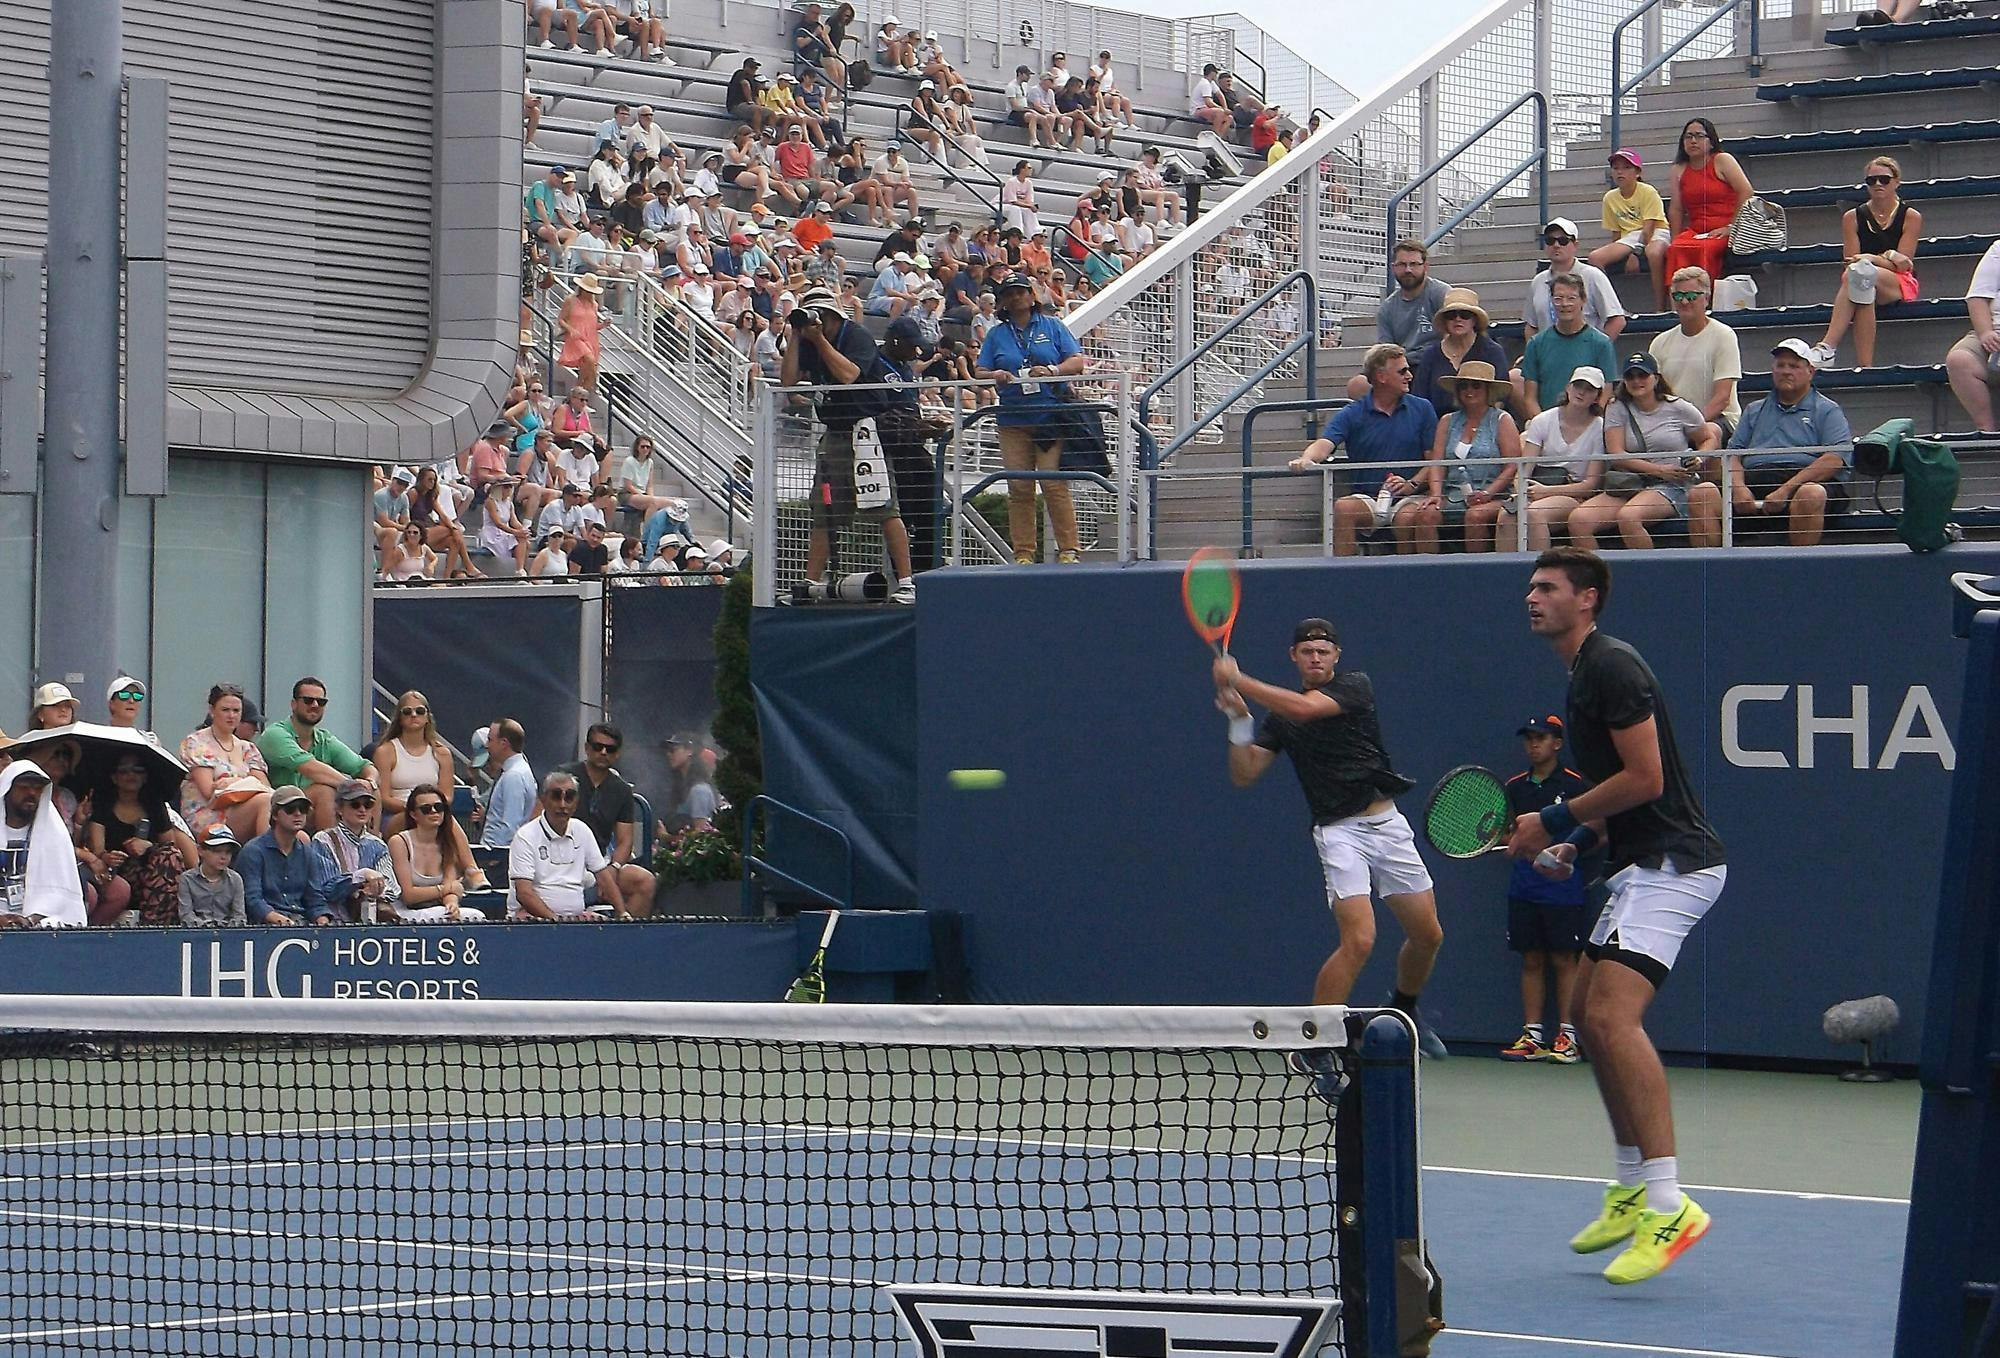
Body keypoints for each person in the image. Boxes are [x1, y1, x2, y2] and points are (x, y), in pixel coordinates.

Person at [1508, 547, 1727, 1285]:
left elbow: (1648, 778)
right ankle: (1632, 1186)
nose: (1532, 598)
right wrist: (1574, 842)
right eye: (1531, 588)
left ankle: (1669, 1204)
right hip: (1639, 860)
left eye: (1547, 588)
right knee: (1580, 1008)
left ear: (1588, 599)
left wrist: (1551, 816)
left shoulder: (1611, 666)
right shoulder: (1581, 675)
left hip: (1676, 865)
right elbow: (1621, 796)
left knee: (1608, 1019)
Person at [1212, 619, 1446, 1051]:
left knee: (1428, 935)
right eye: (1307, 651)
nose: (1315, 657)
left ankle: (1405, 1011)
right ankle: (1315, 1046)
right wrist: (1239, 720)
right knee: (1359, 939)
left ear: (1337, 656)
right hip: (1338, 833)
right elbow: (1245, 773)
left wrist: (1239, 677)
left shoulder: (1356, 686)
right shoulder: (1281, 719)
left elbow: (1305, 709)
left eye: (1323, 650)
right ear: (1294, 657)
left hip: (1387, 824)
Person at [783, 286, 918, 598]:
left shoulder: (856, 335)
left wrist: (818, 340)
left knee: (884, 508)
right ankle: (811, 583)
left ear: (833, 316)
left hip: (865, 432)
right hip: (833, 435)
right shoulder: (806, 340)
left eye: (821, 317)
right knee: (824, 509)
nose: (817, 324)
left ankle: (907, 582)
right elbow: (788, 381)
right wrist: (794, 334)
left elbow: (849, 375)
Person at [1692, 339, 1854, 547]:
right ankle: (1710, 575)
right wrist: (1738, 488)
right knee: (1701, 493)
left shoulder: (1828, 410)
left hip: (1803, 482)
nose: (1786, 371)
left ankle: (1801, 572)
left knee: (1811, 493)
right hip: (1754, 482)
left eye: (1794, 366)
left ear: (1810, 372)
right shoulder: (1754, 410)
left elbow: (1834, 458)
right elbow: (1733, 454)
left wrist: (1786, 490)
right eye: (1780, 365)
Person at [975, 275, 1088, 565]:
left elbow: (1076, 361)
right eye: (1009, 293)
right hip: (1012, 418)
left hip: (1049, 416)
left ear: (1032, 294)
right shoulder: (997, 334)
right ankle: (1023, 553)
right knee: (1019, 487)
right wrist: (995, 375)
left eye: (1021, 291)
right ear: (1003, 300)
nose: (1016, 298)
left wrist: (1052, 370)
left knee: (1053, 483)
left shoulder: (1052, 325)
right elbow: (980, 371)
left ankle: (1069, 549)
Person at [1499, 716, 1591, 1064]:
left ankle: (1568, 1035)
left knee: (1565, 959)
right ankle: (1533, 1035)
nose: (1533, 744)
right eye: (1529, 739)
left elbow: (1594, 829)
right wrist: (1518, 841)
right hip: (1524, 885)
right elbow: (1506, 832)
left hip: (1563, 888)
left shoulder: (1576, 785)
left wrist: (1561, 852)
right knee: (1532, 958)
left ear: (1557, 743)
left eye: (1541, 738)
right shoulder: (1514, 786)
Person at [1291, 344, 1440, 556]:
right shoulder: (1353, 413)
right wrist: (1306, 458)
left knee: (1409, 518)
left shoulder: (1422, 408)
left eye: (1408, 370)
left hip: (1411, 497)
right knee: (1343, 508)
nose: (1409, 375)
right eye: (1402, 371)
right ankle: (1346, 582)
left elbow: (1433, 461)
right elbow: (1325, 443)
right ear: (1381, 376)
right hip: (1368, 498)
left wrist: (1411, 485)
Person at [1568, 354, 1717, 551]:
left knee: (1629, 517)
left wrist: (1699, 457)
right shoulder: (1616, 407)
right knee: (1578, 520)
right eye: (1631, 376)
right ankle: (1596, 575)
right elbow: (1616, 453)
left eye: (1642, 375)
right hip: (1630, 482)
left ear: (1655, 378)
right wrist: (1656, 469)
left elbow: (1708, 438)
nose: (1637, 381)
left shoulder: (1678, 406)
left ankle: (1650, 578)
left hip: (1672, 483)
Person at [1810, 157, 1922, 370]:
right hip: (1863, 278)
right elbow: (1851, 261)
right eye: (1872, 180)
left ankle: (1828, 346)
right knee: (1861, 283)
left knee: (1860, 275)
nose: (1878, 184)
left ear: (1896, 182)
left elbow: (1904, 265)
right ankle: (1865, 367)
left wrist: (1871, 258)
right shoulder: (1852, 217)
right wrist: (1887, 257)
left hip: (1897, 283)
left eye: (1884, 180)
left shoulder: (1910, 216)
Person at [1500, 369, 1610, 551]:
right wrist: (1522, 494)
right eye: (1577, 386)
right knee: (1506, 515)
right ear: (1568, 388)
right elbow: (1524, 469)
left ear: (1597, 397)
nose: (1581, 392)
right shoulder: (1542, 420)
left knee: (1533, 514)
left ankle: (1542, 573)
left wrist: (1547, 491)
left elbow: (1591, 484)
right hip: (1537, 487)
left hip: (1573, 494)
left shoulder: (1599, 427)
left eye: (1589, 389)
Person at [558, 722, 657, 917]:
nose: (603, 752)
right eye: (597, 746)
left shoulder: (622, 790)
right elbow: (535, 820)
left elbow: (625, 841)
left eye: (610, 749)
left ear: (617, 754)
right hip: (557, 860)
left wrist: (613, 869)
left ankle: (624, 939)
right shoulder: (562, 776)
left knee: (645, 881)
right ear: (587, 748)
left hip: (597, 864)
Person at [87, 751, 198, 926]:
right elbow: (97, 851)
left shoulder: (155, 805)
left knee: (170, 856)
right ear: (114, 778)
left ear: (145, 777)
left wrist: (148, 846)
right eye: (124, 771)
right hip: (117, 874)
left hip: (152, 875)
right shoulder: (103, 806)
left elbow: (171, 845)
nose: (131, 775)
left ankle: (156, 924)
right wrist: (108, 857)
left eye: (137, 770)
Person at [1423, 362, 1522, 554]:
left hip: (1495, 495)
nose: (1469, 391)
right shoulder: (1447, 421)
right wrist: (1435, 494)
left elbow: (1512, 466)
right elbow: (1437, 464)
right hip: (1451, 494)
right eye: (1464, 386)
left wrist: (1487, 493)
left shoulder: (1502, 419)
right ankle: (1427, 574)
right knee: (1426, 513)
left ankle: (1475, 575)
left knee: (1474, 516)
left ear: (1488, 390)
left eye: (1476, 386)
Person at [510, 770, 632, 920]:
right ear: (543, 799)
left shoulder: (582, 830)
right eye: (556, 796)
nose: (562, 804)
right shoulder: (525, 836)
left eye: (569, 797)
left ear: (576, 802)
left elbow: (604, 878)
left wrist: (622, 913)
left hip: (573, 919)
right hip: (534, 919)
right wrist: (556, 921)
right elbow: (524, 893)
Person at [258, 677, 374, 832]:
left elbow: (365, 766)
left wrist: (370, 781)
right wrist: (354, 787)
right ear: (293, 704)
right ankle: (330, 852)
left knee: (372, 790)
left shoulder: (324, 739)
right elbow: (311, 768)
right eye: (308, 700)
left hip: (307, 809)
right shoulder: (275, 734)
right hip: (279, 809)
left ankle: (372, 848)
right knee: (324, 792)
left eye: (321, 702)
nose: (315, 705)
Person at [1647, 267, 1742, 444]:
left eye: (1691, 296)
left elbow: (1722, 398)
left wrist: (1692, 424)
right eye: (1678, 296)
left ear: (1706, 298)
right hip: (1671, 422)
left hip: (1718, 419)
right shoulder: (1659, 342)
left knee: (1709, 433)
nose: (1684, 301)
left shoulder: (1724, 336)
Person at [1347, 240, 1450, 399]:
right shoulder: (1387, 308)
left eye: (1414, 264)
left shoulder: (1441, 294)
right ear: (1393, 267)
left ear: (1425, 267)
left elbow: (1454, 336)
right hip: (1403, 364)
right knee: (1357, 385)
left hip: (1437, 361)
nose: (1408, 270)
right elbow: (1386, 351)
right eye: (1402, 264)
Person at [1664, 118, 1753, 287]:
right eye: (1688, 136)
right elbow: (1676, 208)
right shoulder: (1678, 169)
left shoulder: (1722, 160)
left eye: (1699, 136)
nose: (1693, 141)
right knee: (1676, 248)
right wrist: (1674, 237)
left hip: (1725, 229)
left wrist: (1731, 228)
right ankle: (1677, 302)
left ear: (1711, 141)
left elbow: (1746, 191)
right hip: (1696, 230)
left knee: (1704, 249)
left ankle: (1704, 298)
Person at [180, 682, 274, 842]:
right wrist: (247, 783)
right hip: (209, 816)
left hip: (244, 810)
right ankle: (267, 863)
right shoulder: (196, 742)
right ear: (212, 711)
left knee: (300, 836)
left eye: (236, 711)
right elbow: (210, 792)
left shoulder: (247, 748)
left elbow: (264, 787)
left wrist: (235, 781)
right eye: (225, 710)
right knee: (265, 803)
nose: (231, 716)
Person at [1516, 274, 1619, 420]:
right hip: (1546, 426)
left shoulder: (1601, 343)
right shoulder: (1536, 343)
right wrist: (1545, 427)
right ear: (1551, 302)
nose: (1565, 304)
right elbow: (1530, 398)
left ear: (1583, 300)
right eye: (1558, 298)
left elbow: (1606, 394)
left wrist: (1585, 424)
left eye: (1571, 298)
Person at [238, 785, 340, 925]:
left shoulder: (307, 853)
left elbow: (314, 898)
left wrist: (323, 921)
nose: (298, 814)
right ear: (275, 815)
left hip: (300, 924)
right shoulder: (253, 851)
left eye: (303, 809)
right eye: (290, 809)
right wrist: (281, 920)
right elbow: (252, 900)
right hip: (264, 929)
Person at [388, 782, 486, 923]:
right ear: (414, 815)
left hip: (436, 909)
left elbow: (450, 886)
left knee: (475, 915)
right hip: (403, 911)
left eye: (439, 807)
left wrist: (451, 904)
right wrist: (445, 889)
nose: (434, 811)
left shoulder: (448, 843)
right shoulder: (399, 842)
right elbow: (408, 895)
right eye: (426, 809)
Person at [1590, 150, 1671, 313]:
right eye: (1616, 168)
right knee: (1594, 258)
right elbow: (1616, 233)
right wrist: (1617, 255)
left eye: (1626, 167)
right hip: (1629, 237)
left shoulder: (1648, 191)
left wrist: (1635, 254)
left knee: (1654, 253)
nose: (1620, 172)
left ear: (1637, 172)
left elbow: (1649, 228)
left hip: (1656, 231)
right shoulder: (1609, 198)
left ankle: (1660, 308)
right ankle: (1612, 308)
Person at [1524, 219, 1626, 344]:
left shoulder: (1593, 276)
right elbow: (1531, 326)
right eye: (1550, 240)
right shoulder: (1538, 281)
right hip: (1548, 355)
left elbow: (1617, 320)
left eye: (1563, 241)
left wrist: (1596, 350)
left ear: (1575, 245)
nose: (1556, 245)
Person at [309, 780, 398, 924]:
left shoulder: (378, 845)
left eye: (368, 805)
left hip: (373, 920)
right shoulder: (323, 840)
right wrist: (360, 877)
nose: (362, 809)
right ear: (339, 809)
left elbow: (393, 888)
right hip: (334, 922)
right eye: (355, 804)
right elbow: (326, 889)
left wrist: (374, 890)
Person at [1410, 288, 1507, 418]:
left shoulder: (1492, 351)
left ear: (1474, 320)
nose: (1458, 319)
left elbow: (1500, 398)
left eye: (1465, 314)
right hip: (1436, 426)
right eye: (1451, 315)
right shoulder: (1431, 354)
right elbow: (1420, 399)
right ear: (1445, 321)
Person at [371, 690, 454, 836]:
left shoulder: (442, 753)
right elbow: (383, 797)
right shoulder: (385, 751)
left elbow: (447, 796)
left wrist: (428, 808)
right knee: (412, 820)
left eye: (420, 711)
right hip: (397, 815)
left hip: (433, 811)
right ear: (400, 718)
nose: (414, 715)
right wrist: (414, 809)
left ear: (428, 717)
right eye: (407, 711)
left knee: (449, 823)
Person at [1946, 239, 2000, 433]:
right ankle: (1987, 432)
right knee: (1959, 360)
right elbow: (1977, 297)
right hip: (1995, 332)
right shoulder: (1998, 250)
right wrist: (1985, 332)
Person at [476, 718, 537, 851]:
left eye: (490, 740)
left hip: (497, 856)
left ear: (504, 743)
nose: (487, 745)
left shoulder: (514, 776)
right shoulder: (516, 771)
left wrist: (497, 856)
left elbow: (511, 825)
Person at [177, 824, 247, 928]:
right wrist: (205, 927)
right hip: (195, 935)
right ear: (200, 851)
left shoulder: (236, 879)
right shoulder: (187, 879)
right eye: (217, 851)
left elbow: (239, 915)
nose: (223, 857)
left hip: (229, 935)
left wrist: (228, 928)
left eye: (228, 852)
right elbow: (186, 915)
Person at [557, 273, 603, 391]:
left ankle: (578, 397)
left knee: (585, 372)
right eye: (588, 290)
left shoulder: (594, 305)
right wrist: (570, 329)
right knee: (590, 361)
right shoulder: (571, 300)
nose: (589, 293)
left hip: (591, 339)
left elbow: (591, 326)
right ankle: (584, 394)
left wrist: (603, 325)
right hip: (576, 338)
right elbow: (561, 320)